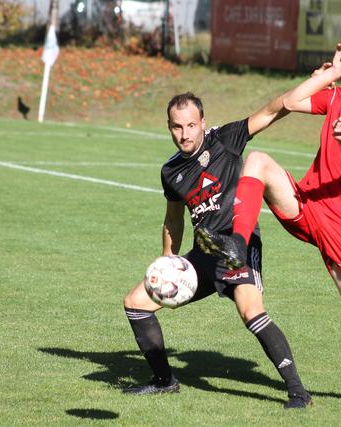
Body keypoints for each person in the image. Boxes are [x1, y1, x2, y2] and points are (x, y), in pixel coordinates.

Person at [195, 40, 341, 404]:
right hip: (307, 205)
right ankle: (237, 243)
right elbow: (290, 102)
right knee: (259, 161)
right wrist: (332, 72)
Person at [122, 92, 313, 409]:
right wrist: (169, 260)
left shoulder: (224, 140)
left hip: (237, 244)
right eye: (176, 127)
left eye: (191, 125)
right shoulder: (171, 171)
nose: (184, 134)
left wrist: (314, 86)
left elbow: (270, 111)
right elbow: (173, 218)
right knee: (135, 303)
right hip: (203, 253)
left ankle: (298, 391)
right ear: (169, 126)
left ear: (203, 124)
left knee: (251, 312)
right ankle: (164, 381)